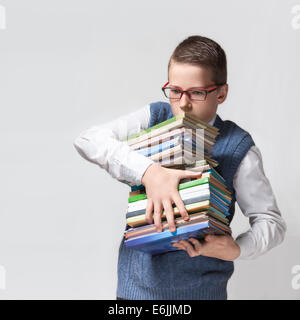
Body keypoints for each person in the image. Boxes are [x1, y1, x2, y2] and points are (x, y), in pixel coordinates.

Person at [73, 35, 287, 300]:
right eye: (175, 91)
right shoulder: (154, 118)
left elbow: (271, 222)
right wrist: (148, 172)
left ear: (222, 93)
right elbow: (87, 140)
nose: (183, 103)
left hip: (203, 292)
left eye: (197, 93)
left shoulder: (238, 147)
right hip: (134, 292)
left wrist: (237, 249)